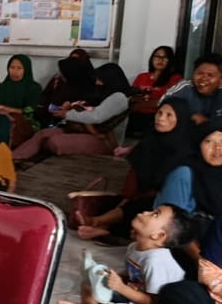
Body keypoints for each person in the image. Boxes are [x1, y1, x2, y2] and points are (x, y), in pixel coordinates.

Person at [57, 205, 192, 304]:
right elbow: (133, 276)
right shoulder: (134, 247)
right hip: (133, 293)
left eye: (155, 214)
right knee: (89, 283)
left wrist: (121, 287)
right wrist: (111, 277)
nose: (145, 212)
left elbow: (155, 302)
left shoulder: (156, 261)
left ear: (158, 235)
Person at [78, 100, 194, 241]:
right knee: (114, 203)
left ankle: (99, 224)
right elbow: (134, 175)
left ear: (180, 119)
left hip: (164, 202)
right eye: (160, 113)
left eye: (169, 115)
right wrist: (126, 199)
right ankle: (102, 226)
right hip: (142, 194)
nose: (161, 118)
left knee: (140, 209)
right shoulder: (150, 140)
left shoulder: (185, 151)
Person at [13, 62, 131, 160]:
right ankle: (13, 158)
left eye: (100, 79)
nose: (97, 83)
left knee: (54, 142)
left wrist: (67, 114)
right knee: (43, 134)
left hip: (105, 140)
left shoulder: (119, 98)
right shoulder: (105, 93)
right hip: (85, 129)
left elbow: (96, 117)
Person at [154, 123, 222, 216]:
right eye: (209, 141)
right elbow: (170, 222)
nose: (218, 147)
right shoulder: (183, 174)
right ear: (198, 145)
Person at [129, 45, 181, 136]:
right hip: (136, 115)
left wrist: (143, 103)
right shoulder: (142, 76)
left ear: (170, 60)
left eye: (165, 57)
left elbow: (167, 102)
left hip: (156, 117)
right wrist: (152, 102)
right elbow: (132, 97)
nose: (160, 60)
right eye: (157, 56)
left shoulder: (175, 78)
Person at [162, 52, 222, 127]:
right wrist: (189, 116)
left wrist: (207, 121)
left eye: (210, 75)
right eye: (199, 73)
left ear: (220, 80)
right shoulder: (185, 87)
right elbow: (162, 106)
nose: (203, 78)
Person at [37, 50, 96, 126]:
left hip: (72, 124)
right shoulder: (58, 79)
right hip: (52, 116)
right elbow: (44, 97)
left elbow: (87, 108)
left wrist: (70, 106)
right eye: (71, 59)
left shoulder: (89, 83)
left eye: (76, 61)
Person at [0, 53, 42, 146]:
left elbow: (31, 110)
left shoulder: (34, 88)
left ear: (26, 70)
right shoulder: (3, 86)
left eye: (19, 68)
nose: (14, 71)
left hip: (27, 121)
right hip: (2, 116)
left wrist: (10, 110)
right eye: (12, 67)